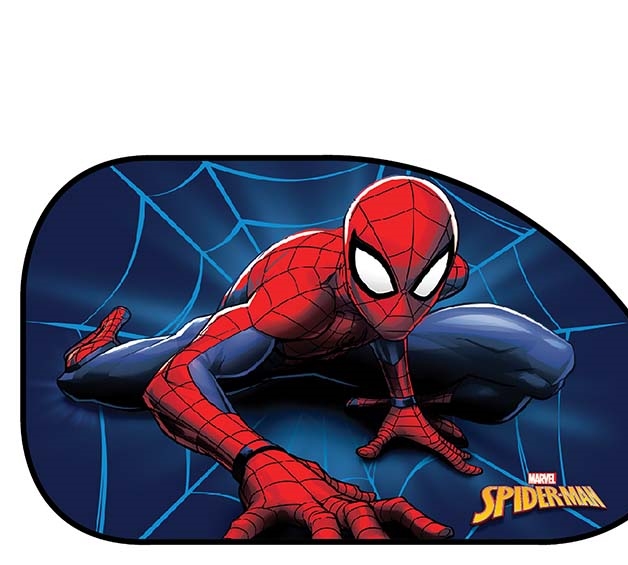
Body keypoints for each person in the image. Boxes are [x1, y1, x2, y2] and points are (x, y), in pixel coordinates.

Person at [58, 176, 573, 540]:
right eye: (374, 275)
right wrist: (260, 459)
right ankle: (96, 349)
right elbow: (175, 380)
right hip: (267, 344)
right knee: (85, 379)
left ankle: (404, 393)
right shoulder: (298, 293)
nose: (403, 305)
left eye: (426, 282)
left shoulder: (446, 275)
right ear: (351, 257)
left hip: (345, 347)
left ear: (444, 267)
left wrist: (405, 402)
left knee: (542, 361)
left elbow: (393, 319)